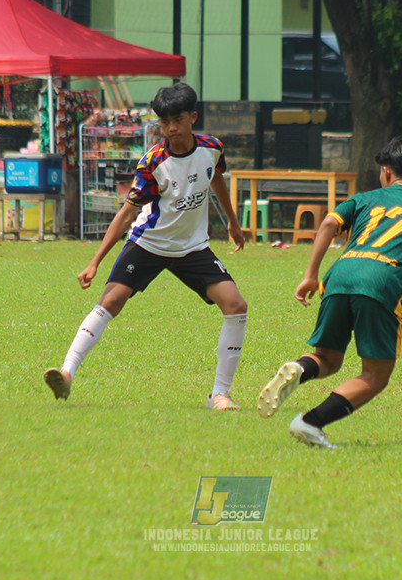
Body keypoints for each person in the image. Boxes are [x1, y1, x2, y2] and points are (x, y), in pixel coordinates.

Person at [43, 82, 248, 410]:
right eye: (164, 122)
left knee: (236, 305)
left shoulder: (212, 148)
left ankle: (219, 394)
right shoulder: (154, 163)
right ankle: (66, 373)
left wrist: (233, 222)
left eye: (178, 120)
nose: (171, 128)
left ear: (193, 117)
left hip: (192, 247)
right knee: (111, 300)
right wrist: (95, 261)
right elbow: (127, 214)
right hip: (149, 243)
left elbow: (216, 177)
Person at [256, 137, 402, 449]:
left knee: (327, 358)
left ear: (386, 172)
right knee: (376, 374)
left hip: (340, 274)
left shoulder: (365, 198)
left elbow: (329, 224)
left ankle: (299, 368)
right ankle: (310, 423)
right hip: (381, 278)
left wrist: (310, 276)